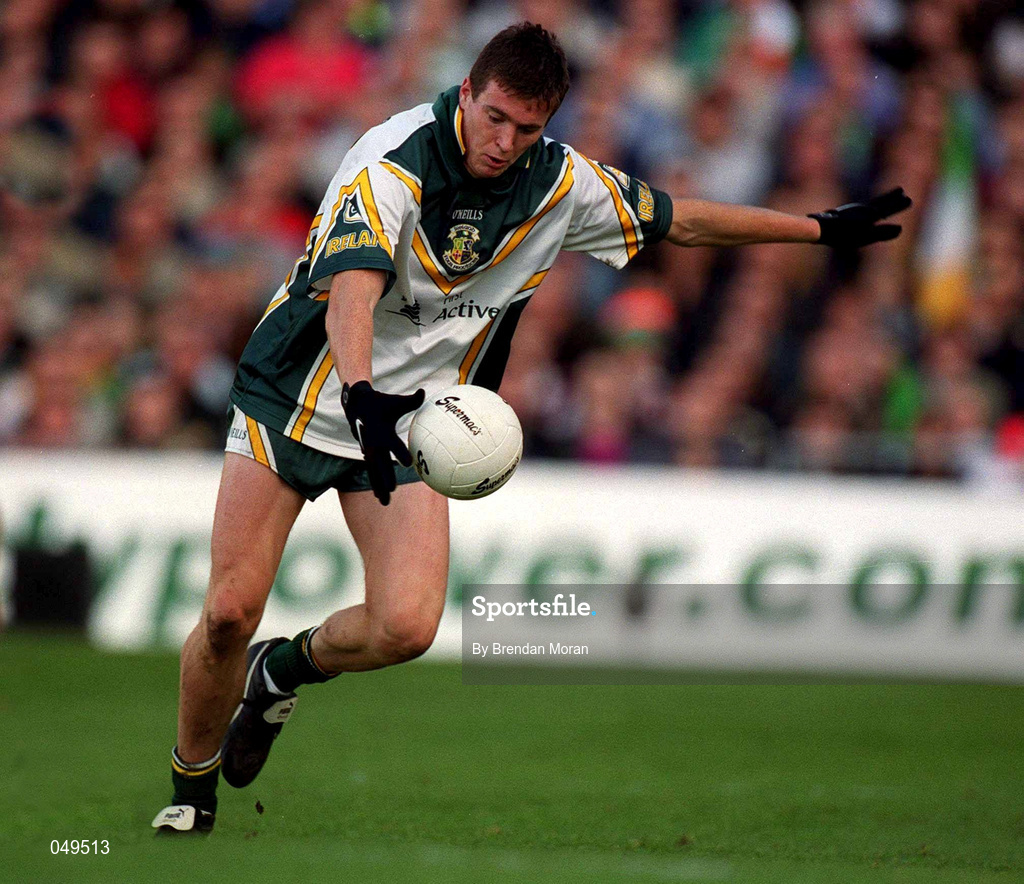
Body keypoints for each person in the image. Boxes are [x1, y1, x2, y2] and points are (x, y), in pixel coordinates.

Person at [152, 22, 911, 834]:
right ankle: (190, 795)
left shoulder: (561, 184)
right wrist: (362, 393)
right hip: (296, 395)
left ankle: (278, 675)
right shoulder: (393, 158)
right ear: (469, 93)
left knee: (406, 627)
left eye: (528, 128)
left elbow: (679, 221)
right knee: (230, 610)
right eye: (495, 118)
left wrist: (816, 230)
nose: (505, 142)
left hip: (412, 421)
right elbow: (353, 292)